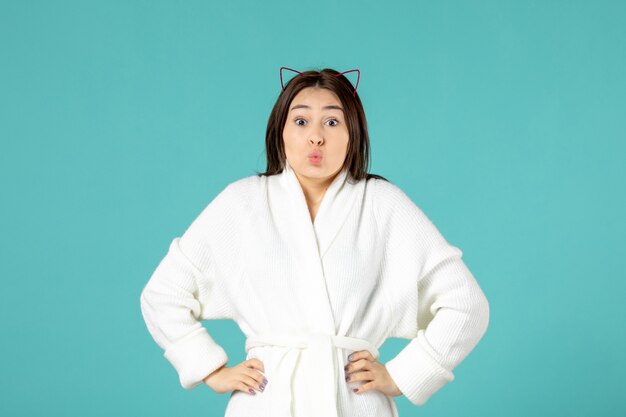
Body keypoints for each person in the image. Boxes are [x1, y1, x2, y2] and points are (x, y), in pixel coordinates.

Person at [139, 67, 490, 417]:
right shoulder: (242, 203)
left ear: (353, 134)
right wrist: (209, 369)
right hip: (267, 401)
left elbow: (467, 304)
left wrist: (406, 375)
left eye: (332, 123)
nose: (316, 137)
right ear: (281, 132)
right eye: (301, 121)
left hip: (354, 401)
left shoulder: (384, 204)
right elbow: (163, 295)